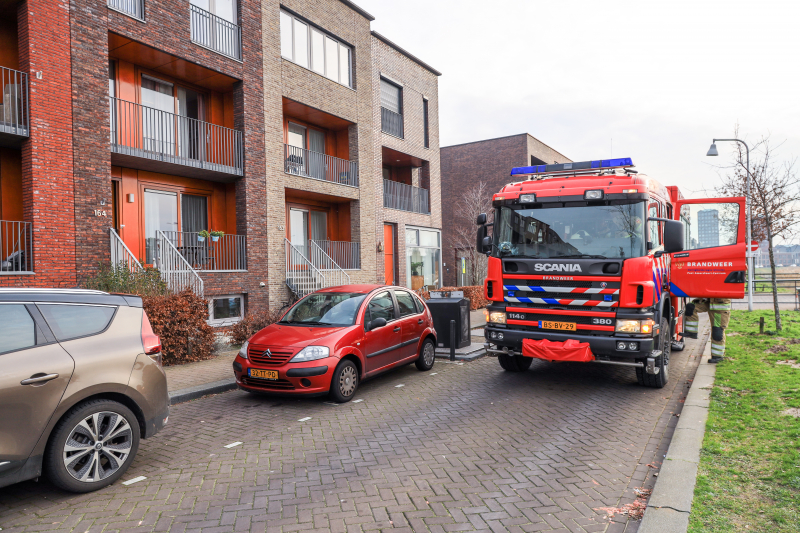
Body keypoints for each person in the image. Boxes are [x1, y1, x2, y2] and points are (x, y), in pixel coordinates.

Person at [682, 298, 731, 363]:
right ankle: (691, 332)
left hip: (720, 307)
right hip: (709, 302)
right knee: (691, 307)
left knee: (717, 332)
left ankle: (718, 356)